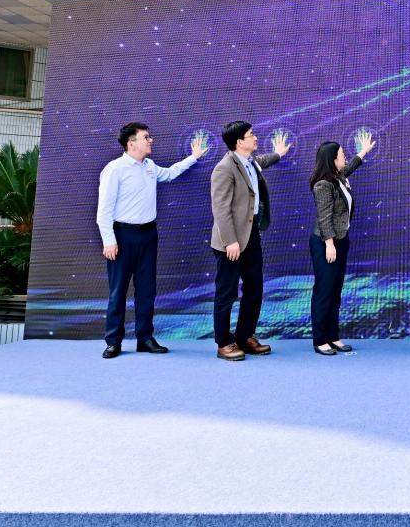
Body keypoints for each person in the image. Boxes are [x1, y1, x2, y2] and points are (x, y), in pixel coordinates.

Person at [96, 121, 207, 359]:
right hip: (122, 236)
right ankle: (113, 342)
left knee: (147, 290)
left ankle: (145, 338)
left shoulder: (150, 166)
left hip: (148, 235)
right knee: (118, 291)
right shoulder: (114, 169)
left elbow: (170, 173)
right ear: (131, 143)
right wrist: (109, 240)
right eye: (146, 137)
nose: (151, 140)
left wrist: (193, 157)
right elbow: (104, 210)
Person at [209, 122, 290, 362]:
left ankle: (245, 336)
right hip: (231, 240)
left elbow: (262, 161)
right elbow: (221, 209)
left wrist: (278, 154)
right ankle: (224, 342)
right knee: (226, 292)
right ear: (239, 142)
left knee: (254, 288)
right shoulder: (224, 169)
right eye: (251, 135)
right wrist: (230, 241)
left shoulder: (250, 162)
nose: (256, 138)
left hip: (252, 234)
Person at [309, 130, 375, 356]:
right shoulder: (323, 185)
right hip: (326, 244)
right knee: (324, 290)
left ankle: (333, 335)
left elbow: (351, 166)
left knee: (335, 290)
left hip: (341, 240)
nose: (344, 156)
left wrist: (363, 152)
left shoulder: (338, 177)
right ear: (332, 159)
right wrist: (329, 244)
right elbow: (324, 216)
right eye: (341, 154)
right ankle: (320, 339)